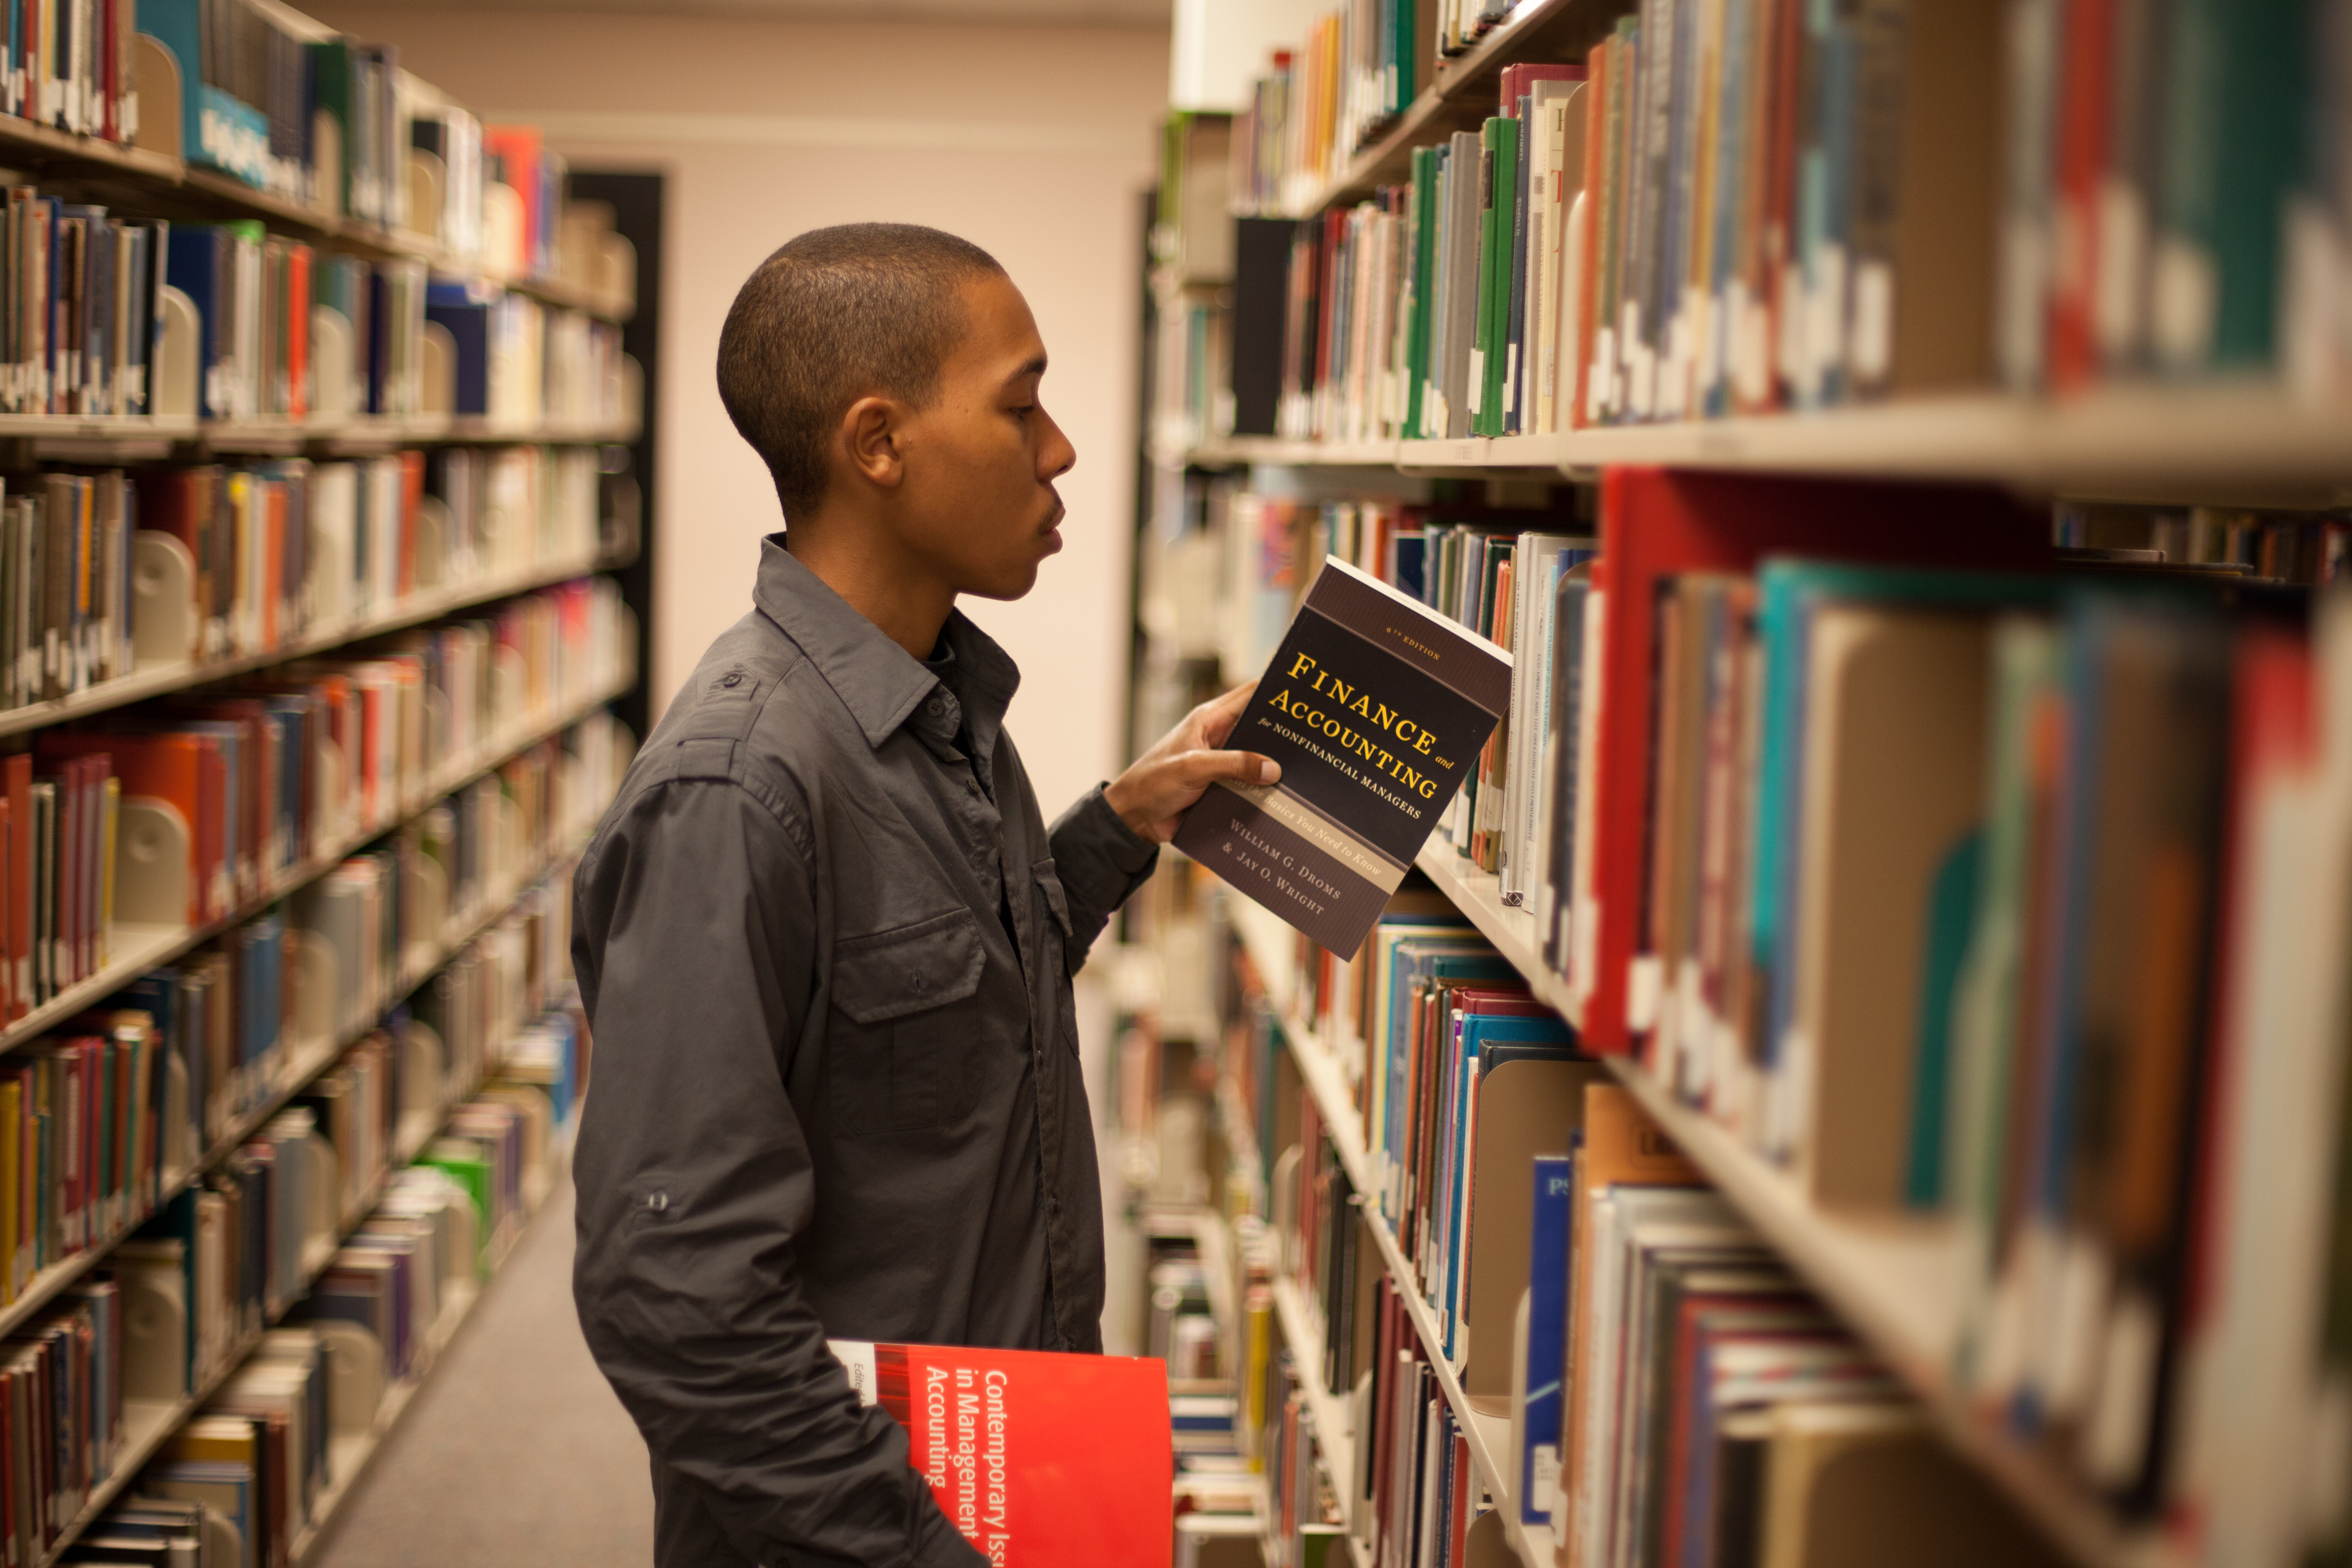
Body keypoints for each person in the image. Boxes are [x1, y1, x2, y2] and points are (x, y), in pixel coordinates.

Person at [568, 222, 1278, 1568]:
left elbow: (944, 1012)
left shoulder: (943, 705)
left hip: (1006, 1466)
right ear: (878, 443)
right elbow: (674, 1296)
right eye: (1020, 406)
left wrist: (1124, 823)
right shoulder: (736, 789)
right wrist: (928, 1548)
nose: (1061, 449)